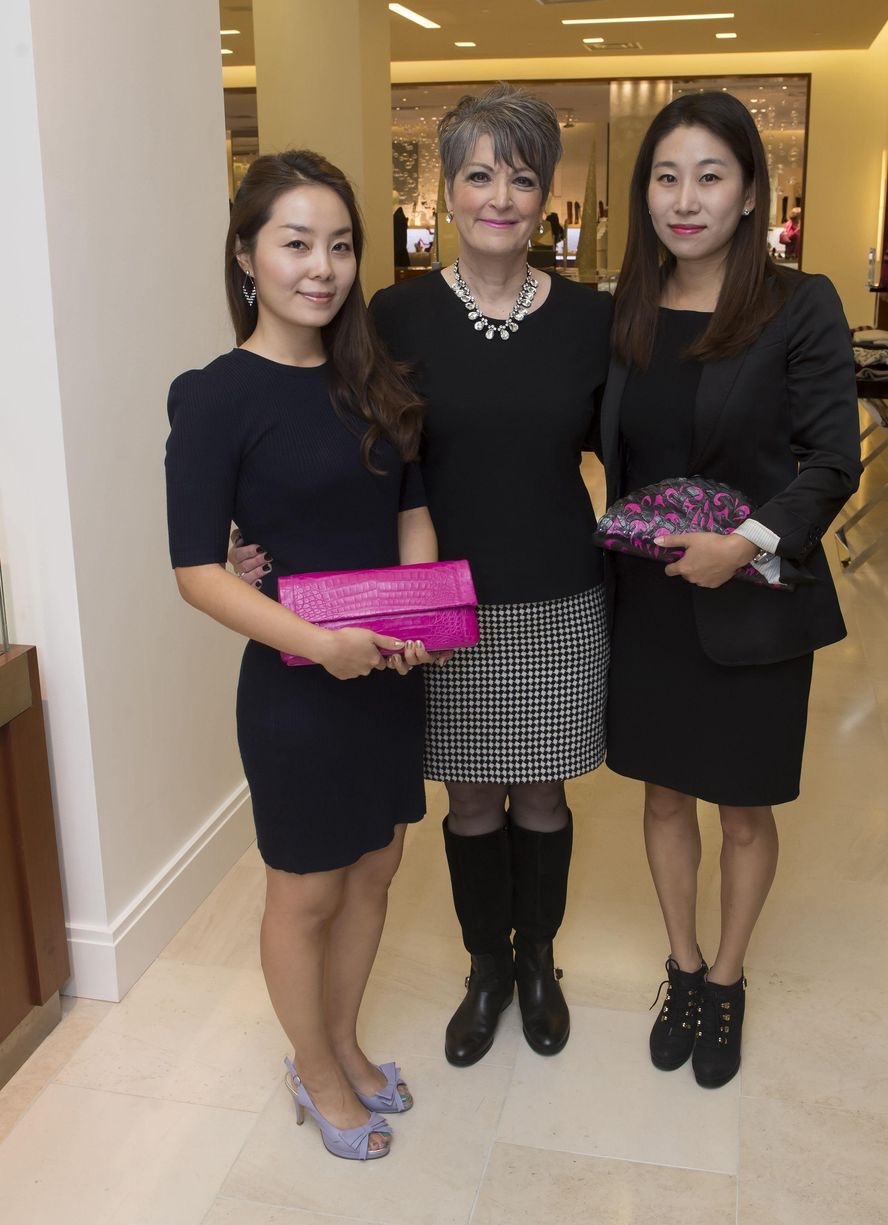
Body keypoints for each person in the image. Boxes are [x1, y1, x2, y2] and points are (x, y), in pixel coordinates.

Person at [235, 84, 612, 1068]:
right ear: (443, 192)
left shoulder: (591, 319)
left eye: (520, 177)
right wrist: (254, 536)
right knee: (471, 801)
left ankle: (539, 961)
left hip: (559, 596)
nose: (498, 194)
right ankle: (485, 964)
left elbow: (639, 444)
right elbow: (322, 435)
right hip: (436, 602)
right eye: (477, 174)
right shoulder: (391, 317)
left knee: (542, 796)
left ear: (545, 197)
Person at [166, 150, 444, 1160]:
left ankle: (342, 1038)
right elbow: (199, 570)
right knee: (307, 886)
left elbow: (409, 504)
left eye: (338, 245)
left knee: (376, 865)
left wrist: (414, 615)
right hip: (297, 683)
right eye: (294, 244)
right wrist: (320, 647)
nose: (319, 267)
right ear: (247, 257)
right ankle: (314, 1066)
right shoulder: (214, 396)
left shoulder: (370, 375)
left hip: (385, 676)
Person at [601, 92, 861, 1088]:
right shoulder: (627, 304)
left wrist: (742, 541)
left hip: (749, 601)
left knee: (742, 810)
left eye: (709, 175)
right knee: (663, 796)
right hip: (649, 602)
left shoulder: (799, 305)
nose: (684, 197)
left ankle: (725, 976)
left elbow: (828, 460)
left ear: (750, 192)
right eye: (665, 176)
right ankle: (678, 963)